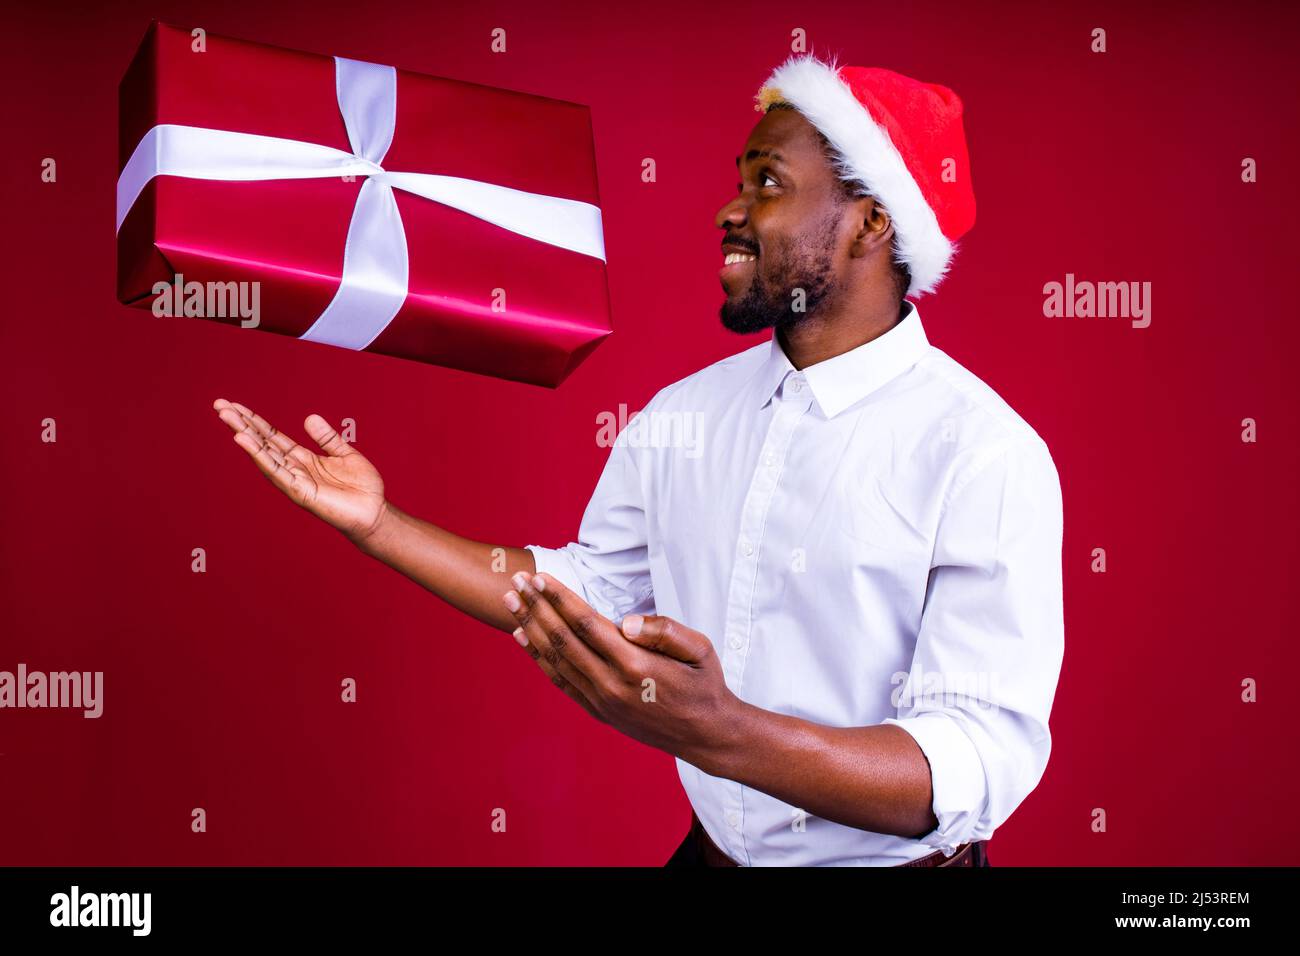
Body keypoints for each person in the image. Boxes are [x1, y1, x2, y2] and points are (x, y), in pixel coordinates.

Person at [213, 52, 1063, 867]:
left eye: (768, 183)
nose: (730, 211)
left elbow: (972, 758)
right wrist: (381, 525)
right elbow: (590, 591)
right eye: (740, 180)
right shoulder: (681, 415)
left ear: (873, 220)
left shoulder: (983, 454)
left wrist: (722, 730)